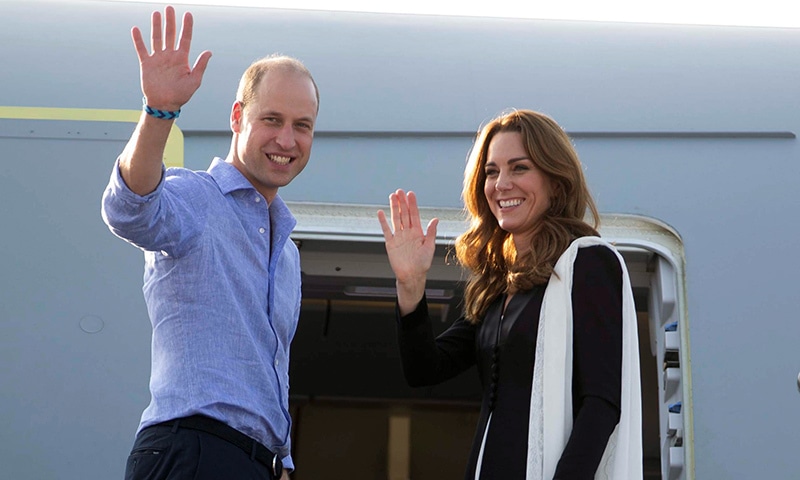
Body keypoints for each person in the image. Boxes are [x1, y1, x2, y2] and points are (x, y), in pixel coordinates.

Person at [101, 6, 319, 480]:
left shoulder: (286, 252)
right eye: (272, 119)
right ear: (238, 117)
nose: (287, 140)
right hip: (193, 450)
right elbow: (129, 208)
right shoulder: (197, 197)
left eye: (301, 125)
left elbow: (270, 371)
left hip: (257, 463)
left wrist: (281, 463)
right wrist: (159, 112)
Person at [378, 109, 642, 479]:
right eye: (491, 171)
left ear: (556, 181)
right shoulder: (500, 285)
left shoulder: (588, 263)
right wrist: (410, 283)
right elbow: (424, 369)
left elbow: (601, 404)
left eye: (519, 168)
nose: (501, 184)